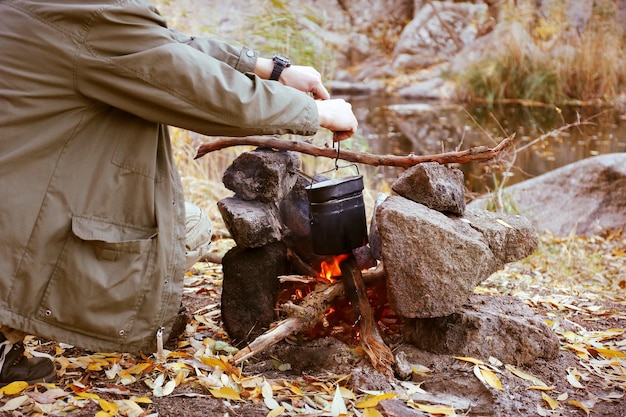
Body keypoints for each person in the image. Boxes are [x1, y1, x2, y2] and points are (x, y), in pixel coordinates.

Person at [0, 0, 358, 386]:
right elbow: (202, 91)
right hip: (13, 218)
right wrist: (315, 112)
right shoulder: (89, 13)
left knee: (189, 225)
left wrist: (273, 69)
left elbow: (164, 43)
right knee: (186, 232)